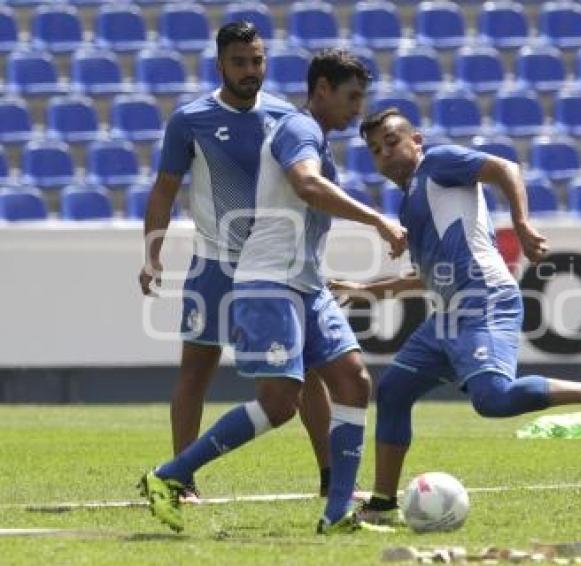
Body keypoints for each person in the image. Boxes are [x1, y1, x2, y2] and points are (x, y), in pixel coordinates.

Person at [331, 108, 581, 525]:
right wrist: (365, 292)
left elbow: (504, 167)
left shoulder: (439, 163)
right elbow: (429, 277)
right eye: (375, 150)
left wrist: (520, 223)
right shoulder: (410, 205)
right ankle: (383, 504)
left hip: (485, 300)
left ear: (417, 141)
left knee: (493, 398)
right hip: (447, 316)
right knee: (392, 392)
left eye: (392, 142)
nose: (385, 154)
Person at [139, 49, 407, 535]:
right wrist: (377, 219)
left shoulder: (306, 131)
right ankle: (170, 475)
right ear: (321, 89)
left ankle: (338, 509)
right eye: (350, 97)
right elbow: (306, 185)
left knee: (353, 382)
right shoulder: (299, 130)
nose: (356, 108)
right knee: (281, 401)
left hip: (303, 281)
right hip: (270, 280)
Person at [137, 22, 333, 501]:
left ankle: (332, 478)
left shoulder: (288, 118)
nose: (251, 71)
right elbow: (164, 190)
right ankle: (182, 479)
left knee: (307, 371)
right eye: (241, 62)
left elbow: (317, 189)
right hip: (215, 264)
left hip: (276, 266)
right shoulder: (192, 119)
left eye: (258, 60)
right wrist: (152, 254)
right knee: (196, 371)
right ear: (220, 63)